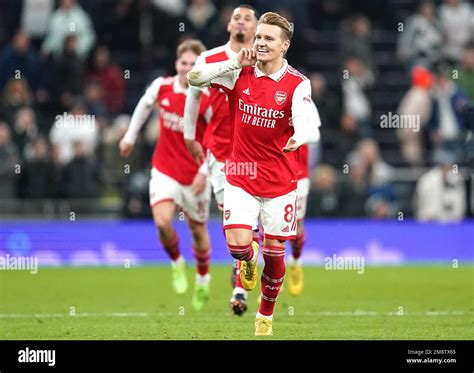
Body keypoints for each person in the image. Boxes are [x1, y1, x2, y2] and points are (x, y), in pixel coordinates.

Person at [188, 12, 321, 335]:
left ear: (284, 46)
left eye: (269, 39)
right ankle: (248, 259)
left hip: (279, 181)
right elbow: (194, 78)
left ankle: (265, 316)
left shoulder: (297, 82)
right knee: (237, 245)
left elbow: (304, 118)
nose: (261, 42)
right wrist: (233, 63)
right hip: (240, 174)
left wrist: (297, 137)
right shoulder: (239, 73)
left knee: (276, 255)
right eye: (258, 37)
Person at [120, 40, 213, 311]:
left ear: (200, 66)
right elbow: (143, 106)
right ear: (176, 64)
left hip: (195, 173)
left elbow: (218, 136)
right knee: (162, 222)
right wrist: (129, 137)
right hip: (165, 169)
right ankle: (176, 262)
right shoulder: (162, 86)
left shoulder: (206, 97)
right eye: (183, 63)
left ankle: (203, 277)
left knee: (197, 230)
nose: (187, 68)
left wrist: (205, 171)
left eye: (192, 64)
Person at [183, 4, 258, 316]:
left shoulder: (268, 59)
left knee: (251, 219)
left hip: (258, 152)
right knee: (233, 223)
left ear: (256, 28)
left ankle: (240, 286)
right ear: (229, 26)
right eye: (236, 18)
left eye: (248, 18)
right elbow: (194, 89)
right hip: (223, 152)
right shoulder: (210, 58)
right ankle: (245, 262)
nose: (241, 22)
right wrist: (189, 134)